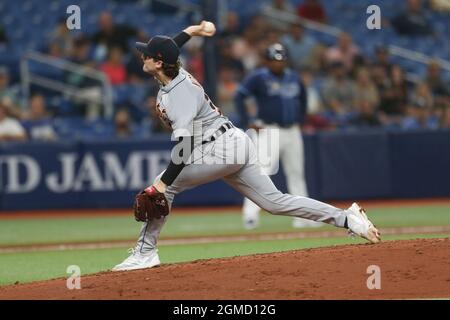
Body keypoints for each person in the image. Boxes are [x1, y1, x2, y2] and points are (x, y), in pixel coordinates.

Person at [112, 22, 381, 272]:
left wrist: (161, 185)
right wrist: (193, 30)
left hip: (219, 148)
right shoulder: (173, 70)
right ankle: (348, 218)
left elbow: (186, 144)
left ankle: (145, 253)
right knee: (275, 202)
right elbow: (172, 45)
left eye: (146, 54)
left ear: (158, 63)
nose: (142, 56)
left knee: (164, 185)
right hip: (235, 142)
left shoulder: (179, 94)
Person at [235, 42, 320, 229]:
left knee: (296, 173)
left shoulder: (294, 78)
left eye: (281, 59)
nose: (278, 63)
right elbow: (240, 95)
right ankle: (250, 215)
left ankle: (304, 217)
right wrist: (247, 120)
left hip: (292, 130)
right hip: (268, 130)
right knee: (260, 172)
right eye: (274, 60)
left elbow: (303, 100)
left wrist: (300, 119)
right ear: (267, 61)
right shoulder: (259, 77)